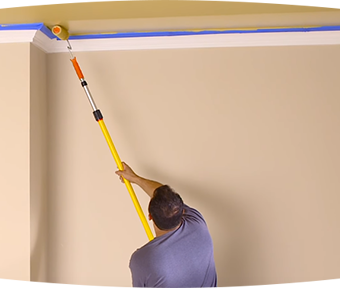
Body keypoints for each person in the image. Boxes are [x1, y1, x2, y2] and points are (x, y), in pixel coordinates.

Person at [115, 162, 217, 288]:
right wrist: (135, 178)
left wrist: (135, 178)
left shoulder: (144, 259)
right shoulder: (197, 222)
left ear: (150, 217)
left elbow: (163, 195)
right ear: (180, 210)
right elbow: (165, 196)